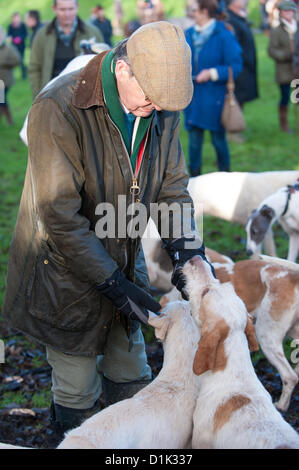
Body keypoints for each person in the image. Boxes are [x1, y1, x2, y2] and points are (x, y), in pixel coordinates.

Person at [3, 21, 214, 447]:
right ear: (123, 69)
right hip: (62, 269)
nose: (156, 108)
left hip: (124, 251)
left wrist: (187, 251)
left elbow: (171, 188)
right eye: (150, 98)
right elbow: (59, 215)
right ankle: (73, 436)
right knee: (77, 386)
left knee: (132, 371)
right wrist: (110, 282)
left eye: (163, 103)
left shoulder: (160, 105)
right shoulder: (57, 108)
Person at [184, 0, 242, 176]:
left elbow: (236, 66)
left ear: (204, 12)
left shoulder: (224, 35)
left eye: (194, 9)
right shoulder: (189, 34)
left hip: (215, 97)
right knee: (194, 141)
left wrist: (212, 73)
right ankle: (194, 181)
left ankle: (225, 177)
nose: (191, 12)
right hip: (193, 98)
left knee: (218, 140)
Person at [28, 0, 104, 98]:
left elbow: (102, 66)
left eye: (70, 9)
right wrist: (39, 95)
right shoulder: (42, 35)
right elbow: (34, 68)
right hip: (51, 97)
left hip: (84, 98)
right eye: (62, 9)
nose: (67, 14)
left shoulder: (93, 33)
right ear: (54, 9)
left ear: (77, 7)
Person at [226, 0, 258, 142]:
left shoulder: (239, 16)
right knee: (236, 98)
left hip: (246, 65)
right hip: (239, 66)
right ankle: (231, 131)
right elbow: (233, 45)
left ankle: (238, 124)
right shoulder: (230, 18)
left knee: (242, 97)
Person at [268, 0, 298, 132]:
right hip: (284, 71)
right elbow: (272, 50)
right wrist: (286, 55)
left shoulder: (297, 29)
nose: (289, 14)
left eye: (291, 11)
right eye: (286, 11)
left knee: (297, 98)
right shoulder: (277, 31)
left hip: (297, 70)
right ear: (280, 13)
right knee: (285, 97)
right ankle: (284, 124)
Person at [0, 26, 21, 125]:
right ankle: (8, 120)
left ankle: (9, 120)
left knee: (1, 99)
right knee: (2, 99)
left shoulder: (9, 48)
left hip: (5, 79)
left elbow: (17, 60)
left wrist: (4, 64)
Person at [7, 12, 27, 79]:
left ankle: (24, 74)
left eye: (17, 18)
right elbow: (9, 35)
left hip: (21, 46)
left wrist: (20, 38)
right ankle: (10, 75)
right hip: (13, 46)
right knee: (13, 60)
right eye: (15, 18)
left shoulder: (22, 25)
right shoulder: (10, 26)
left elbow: (25, 34)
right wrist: (11, 38)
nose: (16, 19)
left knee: (21, 60)